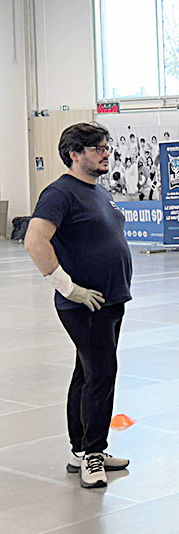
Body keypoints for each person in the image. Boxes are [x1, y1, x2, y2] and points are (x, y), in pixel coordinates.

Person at [24, 122, 132, 489]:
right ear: (75, 153)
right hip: (85, 305)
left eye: (106, 146)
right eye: (98, 148)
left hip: (110, 300)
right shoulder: (60, 193)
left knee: (86, 374)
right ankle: (93, 454)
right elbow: (35, 240)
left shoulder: (98, 191)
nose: (106, 153)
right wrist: (68, 288)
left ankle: (80, 450)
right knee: (101, 375)